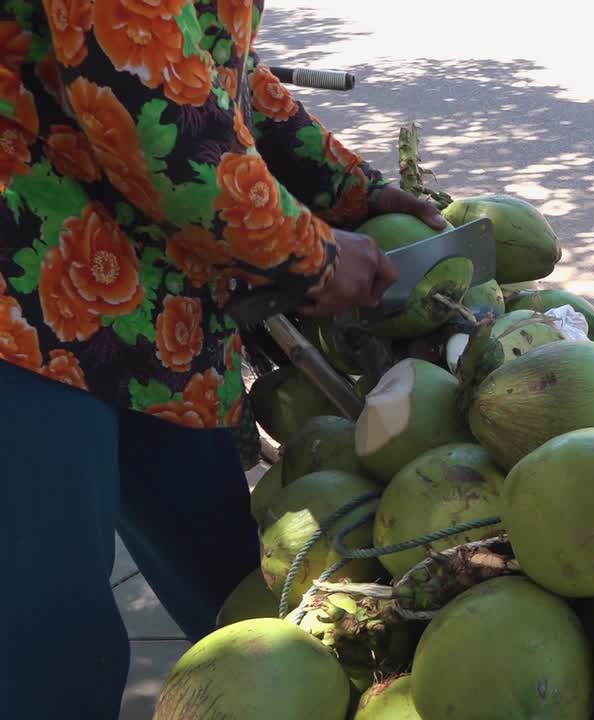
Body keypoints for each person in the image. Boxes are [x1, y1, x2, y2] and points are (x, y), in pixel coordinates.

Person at [0, 1, 445, 716]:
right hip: (24, 302)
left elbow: (211, 68)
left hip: (149, 309)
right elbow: (154, 112)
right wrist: (313, 256)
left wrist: (350, 191)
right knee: (50, 646)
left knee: (234, 585)